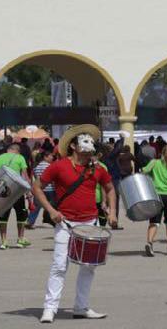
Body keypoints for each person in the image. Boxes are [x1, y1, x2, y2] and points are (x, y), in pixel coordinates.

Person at [32, 124, 117, 323]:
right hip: (65, 224)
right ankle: (50, 308)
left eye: (91, 141)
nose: (90, 144)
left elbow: (110, 188)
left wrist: (112, 212)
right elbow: (37, 187)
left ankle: (81, 307)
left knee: (89, 266)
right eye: (84, 140)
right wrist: (51, 211)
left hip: (90, 223)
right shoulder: (59, 166)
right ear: (73, 146)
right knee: (60, 265)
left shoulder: (98, 168)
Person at [142, 145, 167, 256]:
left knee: (154, 221)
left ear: (162, 152)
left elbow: (143, 172)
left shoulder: (154, 163)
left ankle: (150, 242)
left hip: (156, 196)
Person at [0, 143, 30, 249]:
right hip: (17, 191)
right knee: (21, 215)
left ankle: (4, 241)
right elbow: (24, 176)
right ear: (17, 150)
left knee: (3, 216)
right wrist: (29, 192)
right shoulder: (20, 158)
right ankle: (20, 239)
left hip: (2, 192)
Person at [26, 151, 55, 229]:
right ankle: (52, 221)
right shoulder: (50, 166)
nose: (52, 157)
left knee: (36, 206)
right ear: (45, 157)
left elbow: (35, 179)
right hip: (50, 189)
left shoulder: (36, 167)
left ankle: (30, 221)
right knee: (52, 206)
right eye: (50, 156)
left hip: (39, 190)